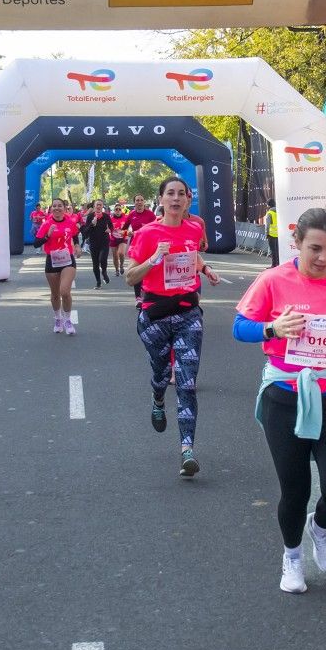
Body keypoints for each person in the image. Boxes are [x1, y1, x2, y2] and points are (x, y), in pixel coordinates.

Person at [234, 208, 326, 594]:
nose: (324, 258)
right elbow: (239, 328)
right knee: (293, 489)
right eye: (315, 248)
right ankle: (292, 558)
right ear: (296, 241)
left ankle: (321, 527)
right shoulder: (273, 280)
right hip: (284, 396)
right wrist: (272, 327)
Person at [126, 177, 222, 478]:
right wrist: (154, 259)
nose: (176, 198)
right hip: (154, 315)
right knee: (160, 374)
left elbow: (192, 255)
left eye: (182, 194)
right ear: (161, 199)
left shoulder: (193, 228)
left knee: (186, 382)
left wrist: (205, 268)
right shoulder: (146, 233)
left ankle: (187, 449)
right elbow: (130, 277)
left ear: (188, 199)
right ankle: (157, 398)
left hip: (187, 313)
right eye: (171, 193)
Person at [34, 198, 80, 335]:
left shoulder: (70, 221)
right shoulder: (46, 224)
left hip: (67, 259)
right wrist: (47, 236)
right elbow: (36, 243)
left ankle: (67, 320)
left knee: (65, 292)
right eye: (54, 206)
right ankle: (58, 319)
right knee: (55, 295)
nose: (57, 208)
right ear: (51, 209)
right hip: (52, 260)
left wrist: (77, 246)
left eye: (60, 206)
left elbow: (75, 235)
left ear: (64, 208)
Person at [83, 200, 113, 288]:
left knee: (102, 259)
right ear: (94, 207)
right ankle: (98, 282)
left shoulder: (106, 216)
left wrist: (110, 230)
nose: (99, 206)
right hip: (93, 242)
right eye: (97, 205)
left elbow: (111, 226)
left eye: (100, 205)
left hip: (104, 241)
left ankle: (104, 272)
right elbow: (85, 232)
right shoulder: (90, 216)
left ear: (102, 206)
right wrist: (92, 224)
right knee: (95, 263)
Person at [110, 203, 130, 276]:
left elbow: (128, 228)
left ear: (121, 210)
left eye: (119, 209)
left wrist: (124, 233)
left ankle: (121, 265)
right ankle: (117, 270)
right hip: (113, 239)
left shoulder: (126, 217)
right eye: (116, 209)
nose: (118, 211)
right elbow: (108, 228)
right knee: (115, 256)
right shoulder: (110, 218)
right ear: (114, 211)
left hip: (123, 238)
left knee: (121, 253)